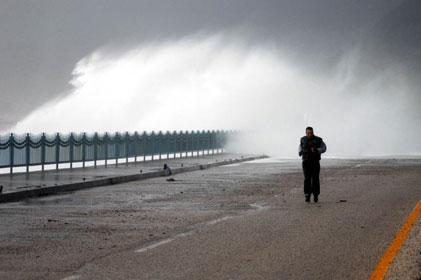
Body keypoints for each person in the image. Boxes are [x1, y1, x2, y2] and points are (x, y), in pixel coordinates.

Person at [298, 127, 327, 202]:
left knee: (315, 179)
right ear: (305, 132)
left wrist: (317, 150)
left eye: (310, 133)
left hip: (315, 162)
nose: (309, 134)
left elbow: (324, 148)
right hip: (306, 162)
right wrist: (300, 152)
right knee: (307, 179)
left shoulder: (318, 139)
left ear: (313, 132)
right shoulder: (303, 139)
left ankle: (316, 195)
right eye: (308, 133)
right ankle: (307, 195)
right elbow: (300, 146)